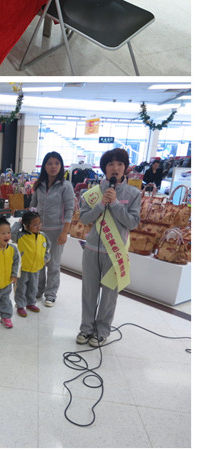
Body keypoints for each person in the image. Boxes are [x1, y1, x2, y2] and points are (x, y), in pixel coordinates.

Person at [76, 148, 141, 347]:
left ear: (125, 168)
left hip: (115, 253)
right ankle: (86, 328)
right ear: (104, 168)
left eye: (120, 164)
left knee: (109, 295)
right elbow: (84, 219)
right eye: (111, 164)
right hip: (91, 250)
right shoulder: (91, 193)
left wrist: (115, 204)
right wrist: (100, 205)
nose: (115, 168)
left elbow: (132, 223)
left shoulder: (133, 194)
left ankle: (102, 331)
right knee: (89, 292)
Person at [31, 151, 75, 307]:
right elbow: (33, 205)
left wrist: (65, 231)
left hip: (57, 231)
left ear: (61, 166)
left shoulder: (65, 186)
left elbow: (70, 209)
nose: (53, 166)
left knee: (54, 264)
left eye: (57, 163)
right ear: (44, 166)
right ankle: (38, 290)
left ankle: (50, 294)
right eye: (49, 163)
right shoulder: (38, 185)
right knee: (39, 262)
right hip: (39, 231)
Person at [11, 210, 50, 316]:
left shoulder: (43, 236)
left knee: (33, 287)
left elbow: (47, 247)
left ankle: (30, 303)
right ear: (26, 226)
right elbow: (12, 233)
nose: (38, 227)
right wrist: (19, 223)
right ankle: (20, 305)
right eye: (35, 225)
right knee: (20, 288)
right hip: (22, 268)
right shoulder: (20, 236)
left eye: (39, 224)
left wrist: (45, 258)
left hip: (36, 268)